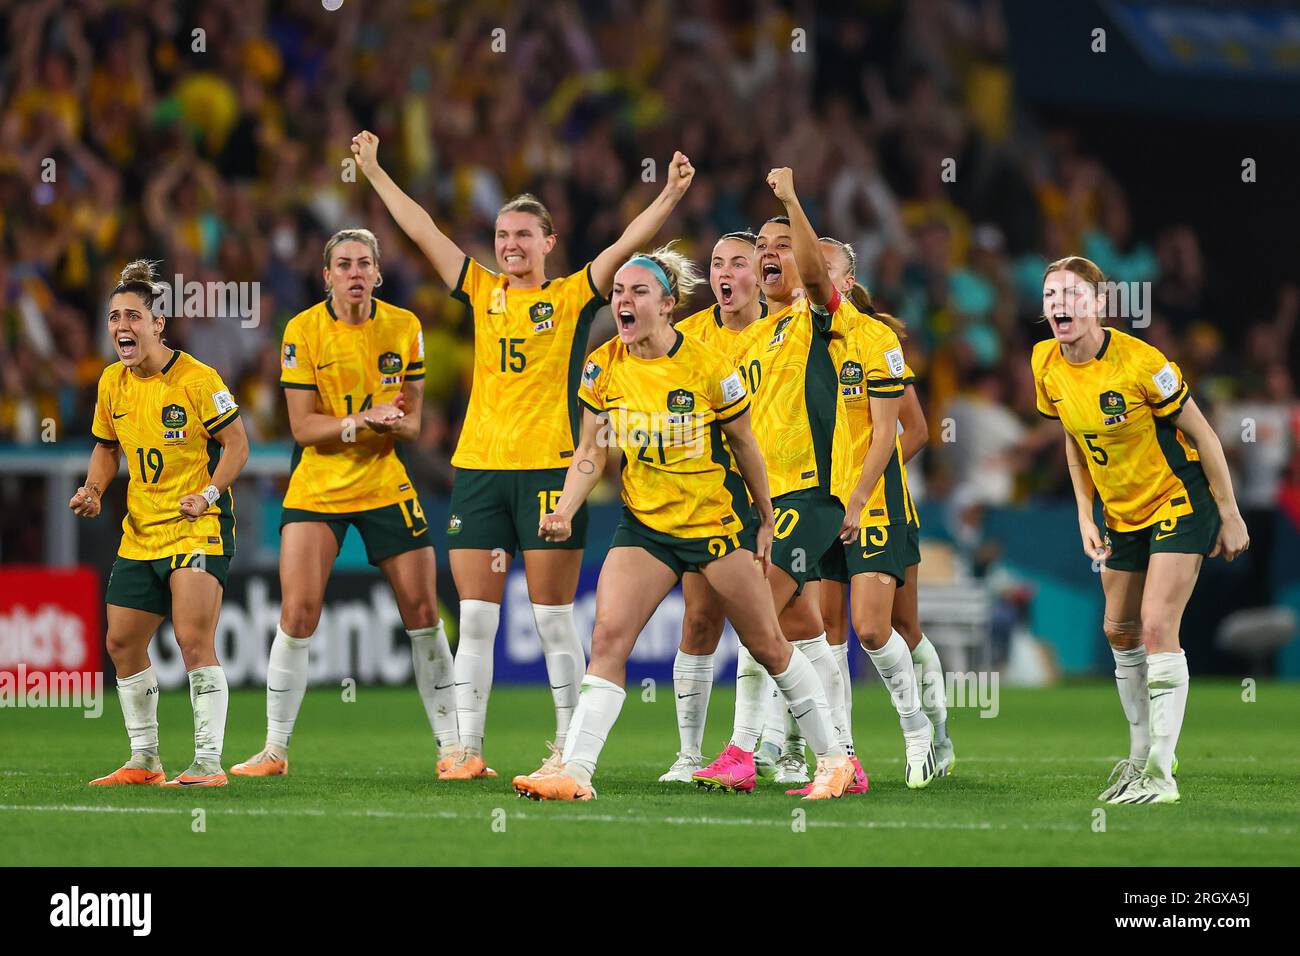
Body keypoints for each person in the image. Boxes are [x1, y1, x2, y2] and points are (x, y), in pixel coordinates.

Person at [352, 130, 696, 777]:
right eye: (502, 235)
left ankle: (567, 750)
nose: (510, 245)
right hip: (480, 470)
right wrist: (373, 170)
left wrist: (670, 193)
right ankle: (466, 750)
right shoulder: (481, 291)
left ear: (548, 243)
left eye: (523, 235)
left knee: (553, 624)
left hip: (549, 471)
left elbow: (624, 246)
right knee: (476, 622)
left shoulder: (571, 297)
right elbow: (422, 228)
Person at [512, 247, 855, 801]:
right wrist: (566, 508)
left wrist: (765, 519)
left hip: (714, 525)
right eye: (618, 292)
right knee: (607, 637)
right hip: (645, 525)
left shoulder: (707, 366)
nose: (623, 301)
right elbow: (590, 452)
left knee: (767, 642)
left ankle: (834, 760)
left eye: (637, 292)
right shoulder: (603, 366)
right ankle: (575, 772)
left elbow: (745, 445)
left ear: (667, 305)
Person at [230, 229, 460, 778]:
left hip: (384, 480)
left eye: (364, 264)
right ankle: (274, 751)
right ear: (327, 275)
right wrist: (362, 421)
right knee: (298, 613)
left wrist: (391, 421)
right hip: (319, 484)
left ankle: (453, 750)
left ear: (378, 274)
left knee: (425, 613)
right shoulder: (303, 330)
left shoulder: (404, 328)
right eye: (343, 264)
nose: (355, 272)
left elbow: (413, 425)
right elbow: (304, 428)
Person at [1033, 255, 1249, 805]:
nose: (1062, 304)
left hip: (1177, 500)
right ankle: (1138, 756)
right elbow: (1074, 441)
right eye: (1052, 294)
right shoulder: (1045, 364)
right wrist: (1085, 513)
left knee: (1155, 628)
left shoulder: (1142, 363)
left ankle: (1160, 773)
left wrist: (1229, 514)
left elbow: (1205, 437)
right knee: (1119, 632)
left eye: (1074, 294)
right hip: (1119, 514)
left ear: (1099, 305)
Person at [691, 168, 870, 794]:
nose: (770, 254)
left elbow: (818, 276)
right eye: (760, 248)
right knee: (801, 630)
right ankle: (845, 756)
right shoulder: (751, 338)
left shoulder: (815, 317)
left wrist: (793, 199)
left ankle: (743, 751)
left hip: (810, 491)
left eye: (780, 246)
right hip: (766, 499)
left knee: (753, 605)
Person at [76, 259, 249, 788]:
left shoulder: (198, 379)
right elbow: (106, 448)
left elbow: (237, 445)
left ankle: (207, 764)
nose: (121, 326)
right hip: (142, 531)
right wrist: (95, 488)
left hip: (198, 526)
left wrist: (209, 493)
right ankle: (145, 759)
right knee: (122, 642)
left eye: (132, 316)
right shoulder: (112, 383)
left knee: (193, 638)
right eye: (113, 317)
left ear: (158, 325)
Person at [657, 231, 769, 783]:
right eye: (717, 263)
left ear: (760, 275)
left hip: (785, 494)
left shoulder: (788, 332)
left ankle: (785, 748)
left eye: (739, 263)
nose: (725, 274)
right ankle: (688, 755)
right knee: (700, 619)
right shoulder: (687, 336)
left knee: (778, 626)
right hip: (712, 499)